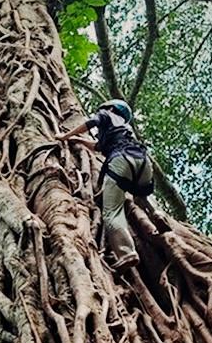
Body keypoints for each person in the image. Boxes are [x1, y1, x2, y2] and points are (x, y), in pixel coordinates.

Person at [58, 99, 154, 271]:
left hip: (121, 161)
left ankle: (126, 253)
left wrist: (65, 136)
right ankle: (156, 216)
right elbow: (98, 146)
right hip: (144, 162)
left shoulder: (107, 113)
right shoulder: (126, 128)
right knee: (141, 196)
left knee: (112, 212)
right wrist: (79, 141)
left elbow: (91, 122)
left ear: (110, 108)